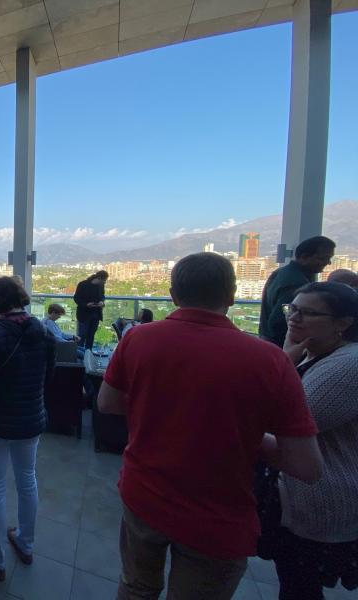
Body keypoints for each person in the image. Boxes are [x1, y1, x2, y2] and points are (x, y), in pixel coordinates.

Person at [97, 252, 323, 599]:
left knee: (136, 586)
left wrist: (160, 409)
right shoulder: (270, 360)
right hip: (218, 516)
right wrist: (244, 432)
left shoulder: (139, 339)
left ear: (173, 295)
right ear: (232, 296)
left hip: (144, 494)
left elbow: (107, 403)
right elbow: (305, 465)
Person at [264, 282, 358, 598]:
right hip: (305, 496)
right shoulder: (315, 354)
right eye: (293, 309)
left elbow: (283, 420)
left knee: (299, 586)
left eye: (308, 313)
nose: (295, 318)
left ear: (343, 323)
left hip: (322, 499)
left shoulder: (346, 366)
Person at [0, 276, 56, 582]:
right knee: (27, 480)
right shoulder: (42, 331)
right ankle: (25, 542)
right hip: (31, 419)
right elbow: (49, 374)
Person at [259, 235, 335, 347]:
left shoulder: (281, 272)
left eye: (329, 258)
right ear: (304, 257)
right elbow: (279, 322)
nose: (328, 263)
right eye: (322, 258)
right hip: (280, 346)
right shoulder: (296, 283)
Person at [73, 270, 108, 349]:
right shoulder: (83, 284)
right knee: (82, 335)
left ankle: (88, 353)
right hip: (84, 315)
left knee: (91, 335)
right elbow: (76, 298)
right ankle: (79, 355)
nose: (105, 283)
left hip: (96, 314)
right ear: (99, 278)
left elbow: (102, 296)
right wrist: (86, 305)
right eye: (104, 280)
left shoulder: (100, 286)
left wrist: (102, 302)